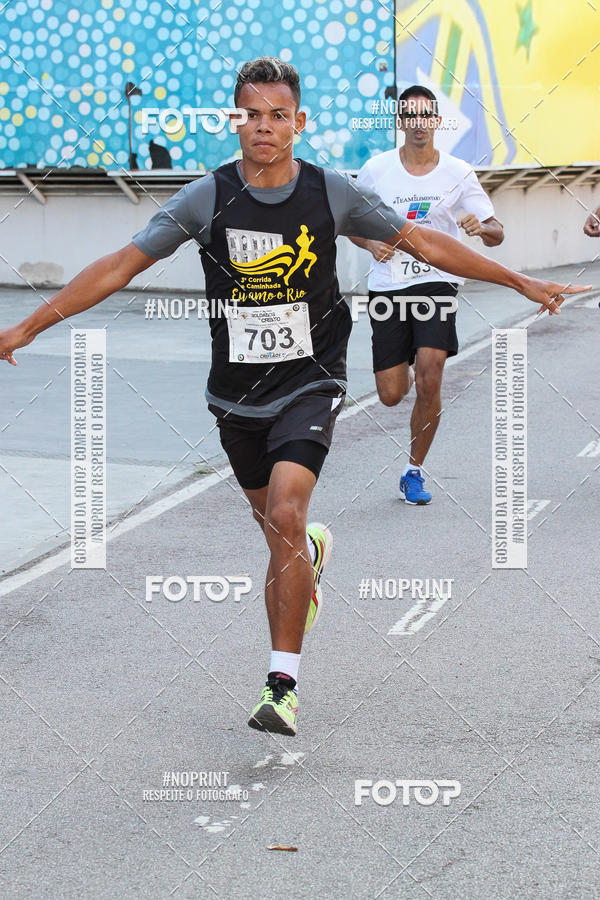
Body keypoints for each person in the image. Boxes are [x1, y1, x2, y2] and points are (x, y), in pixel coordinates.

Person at [0, 58, 589, 737]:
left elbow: (423, 240)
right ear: (236, 121)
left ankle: (282, 684)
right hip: (236, 395)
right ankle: (306, 556)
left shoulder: (332, 193)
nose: (264, 128)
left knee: (284, 510)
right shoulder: (206, 197)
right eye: (251, 115)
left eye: (278, 115)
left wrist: (521, 283)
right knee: (276, 529)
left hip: (312, 380)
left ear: (298, 123)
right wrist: (27, 324)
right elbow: (119, 266)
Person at [350, 84, 505, 505]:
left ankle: (414, 470)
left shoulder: (457, 172)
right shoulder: (376, 170)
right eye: (410, 116)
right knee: (391, 394)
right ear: (401, 122)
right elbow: (348, 223)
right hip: (388, 286)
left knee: (431, 372)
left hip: (437, 281)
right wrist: (369, 244)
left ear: (437, 121)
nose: (419, 123)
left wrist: (480, 228)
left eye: (426, 115)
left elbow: (497, 232)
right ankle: (409, 375)